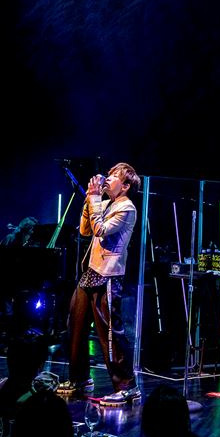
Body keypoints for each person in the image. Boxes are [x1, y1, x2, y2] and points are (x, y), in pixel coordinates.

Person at [60, 162, 142, 405]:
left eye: (114, 176)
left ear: (125, 186)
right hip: (91, 271)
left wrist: (95, 199)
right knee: (75, 326)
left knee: (110, 333)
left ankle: (127, 386)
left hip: (108, 275)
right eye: (109, 174)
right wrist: (90, 200)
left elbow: (101, 230)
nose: (108, 178)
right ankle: (80, 378)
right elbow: (85, 230)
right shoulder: (105, 203)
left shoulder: (127, 208)